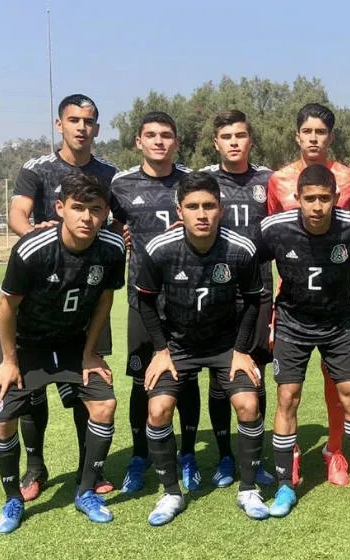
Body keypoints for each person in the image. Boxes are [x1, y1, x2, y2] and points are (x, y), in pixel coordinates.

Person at [0, 172, 125, 534]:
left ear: (105, 212)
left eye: (95, 210)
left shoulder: (112, 248)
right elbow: (6, 306)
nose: (86, 218)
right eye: (78, 208)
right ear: (60, 208)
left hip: (70, 340)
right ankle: (13, 499)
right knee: (3, 419)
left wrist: (91, 353)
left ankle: (85, 492)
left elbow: (105, 299)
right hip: (23, 342)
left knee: (104, 404)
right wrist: (9, 360)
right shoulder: (33, 248)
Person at [136, 172, 268, 524]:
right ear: (180, 211)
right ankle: (170, 494)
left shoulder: (240, 249)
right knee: (158, 410)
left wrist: (242, 350)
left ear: (220, 209)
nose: (202, 213)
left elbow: (255, 300)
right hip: (178, 346)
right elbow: (146, 302)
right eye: (193, 206)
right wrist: (161, 350)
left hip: (226, 345)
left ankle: (249, 489)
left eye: (209, 205)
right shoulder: (160, 250)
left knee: (248, 403)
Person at [7, 93, 117, 500]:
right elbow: (17, 214)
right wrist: (42, 242)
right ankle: (35, 467)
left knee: (86, 381)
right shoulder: (37, 169)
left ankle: (90, 468)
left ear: (97, 128)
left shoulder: (109, 171)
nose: (81, 127)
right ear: (60, 125)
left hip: (88, 291)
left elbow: (115, 218)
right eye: (74, 120)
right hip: (45, 286)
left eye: (89, 121)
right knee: (32, 390)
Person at [258, 164, 350, 518]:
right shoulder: (275, 228)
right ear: (296, 199)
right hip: (292, 324)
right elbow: (241, 256)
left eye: (324, 199)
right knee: (288, 397)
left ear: (336, 199)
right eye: (309, 199)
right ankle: (285, 485)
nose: (316, 206)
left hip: (338, 324)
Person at [266, 102, 350, 486]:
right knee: (288, 388)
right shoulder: (277, 180)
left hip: (334, 301)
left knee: (337, 382)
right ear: (297, 136)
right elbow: (275, 235)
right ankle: (290, 453)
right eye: (306, 132)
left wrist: (338, 262)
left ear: (330, 136)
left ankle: (335, 451)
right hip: (291, 300)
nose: (313, 138)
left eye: (320, 132)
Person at [108, 111, 203, 493]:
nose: (159, 141)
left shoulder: (191, 182)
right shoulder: (121, 184)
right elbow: (108, 221)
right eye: (151, 135)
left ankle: (189, 454)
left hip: (185, 298)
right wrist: (122, 235)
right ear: (139, 141)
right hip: (141, 297)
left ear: (176, 141)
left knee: (188, 374)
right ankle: (139, 455)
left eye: (166, 135)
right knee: (140, 378)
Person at [200, 109, 276, 487]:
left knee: (255, 373)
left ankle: (254, 457)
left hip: (259, 290)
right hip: (217, 290)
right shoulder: (204, 182)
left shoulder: (268, 180)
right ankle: (225, 456)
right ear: (216, 142)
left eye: (240, 135)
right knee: (219, 377)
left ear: (250, 140)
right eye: (226, 136)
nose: (234, 142)